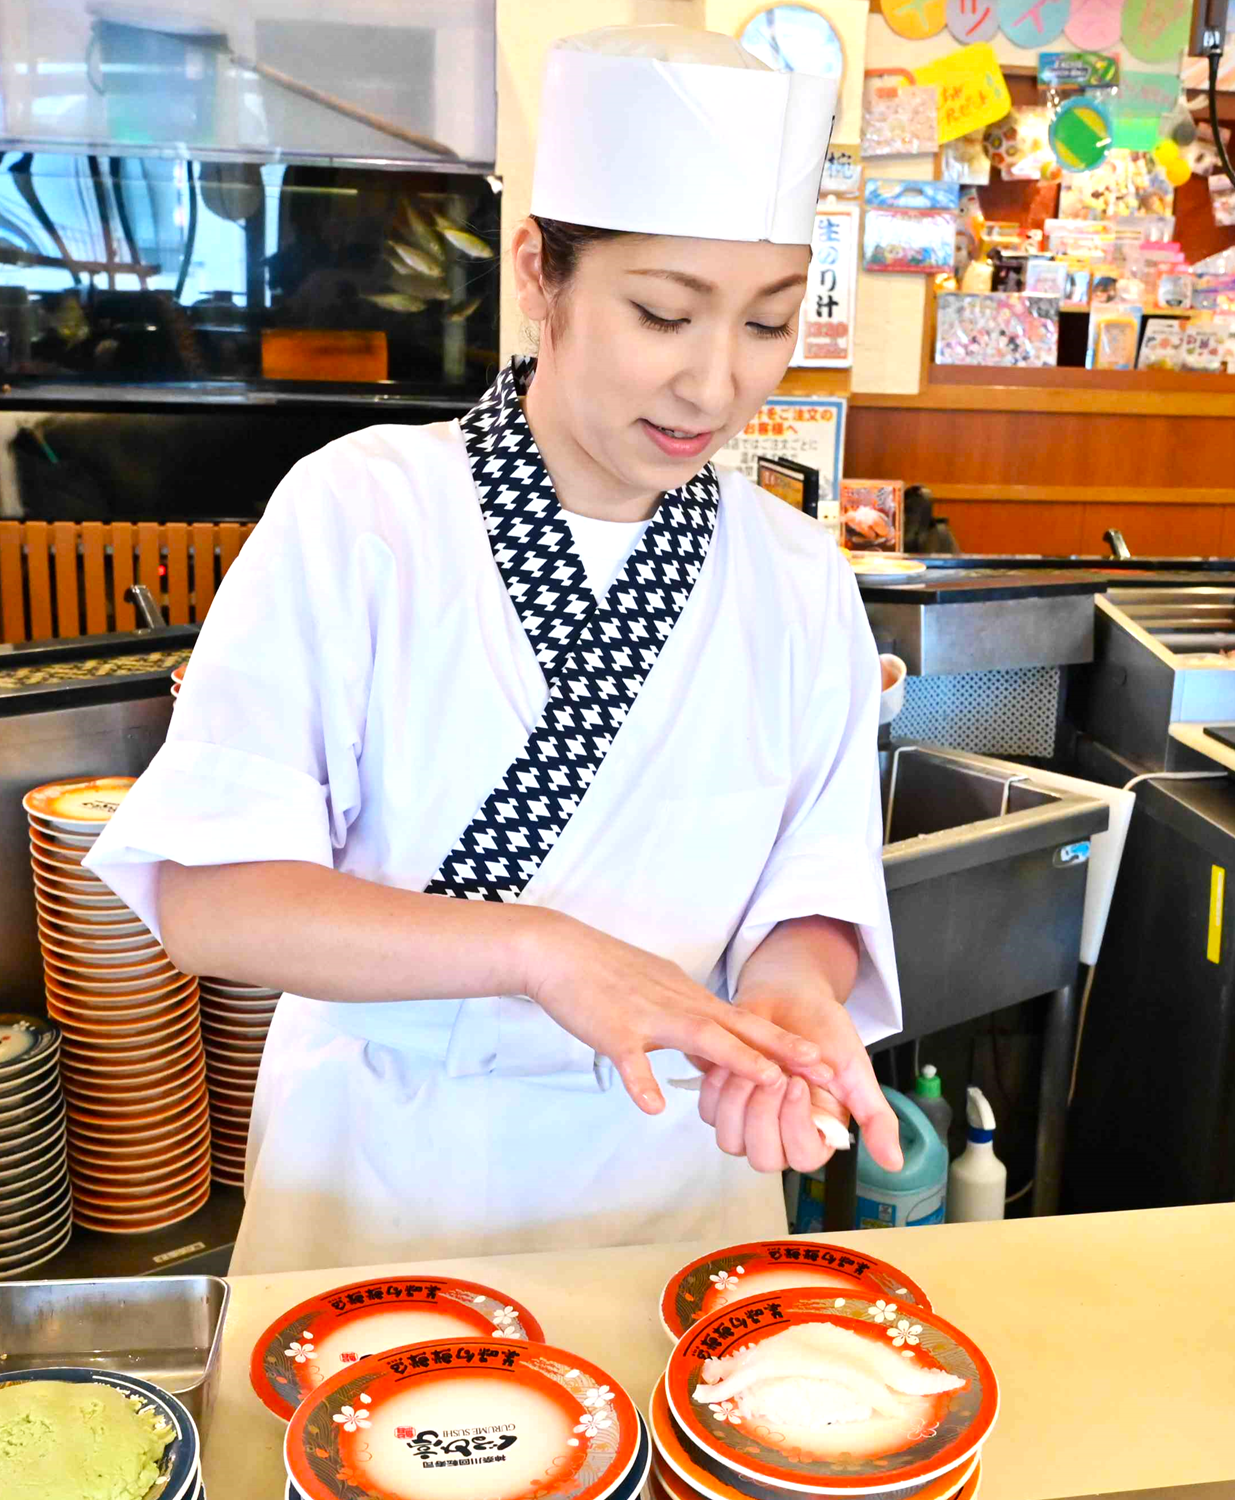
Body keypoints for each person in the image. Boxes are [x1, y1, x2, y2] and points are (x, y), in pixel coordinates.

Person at [84, 25, 903, 1275]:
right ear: (539, 270)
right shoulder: (362, 512)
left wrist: (793, 986)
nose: (712, 384)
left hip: (674, 1167)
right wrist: (538, 950)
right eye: (663, 313)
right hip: (382, 1172)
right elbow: (210, 897)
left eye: (765, 325)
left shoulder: (795, 576)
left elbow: (814, 877)